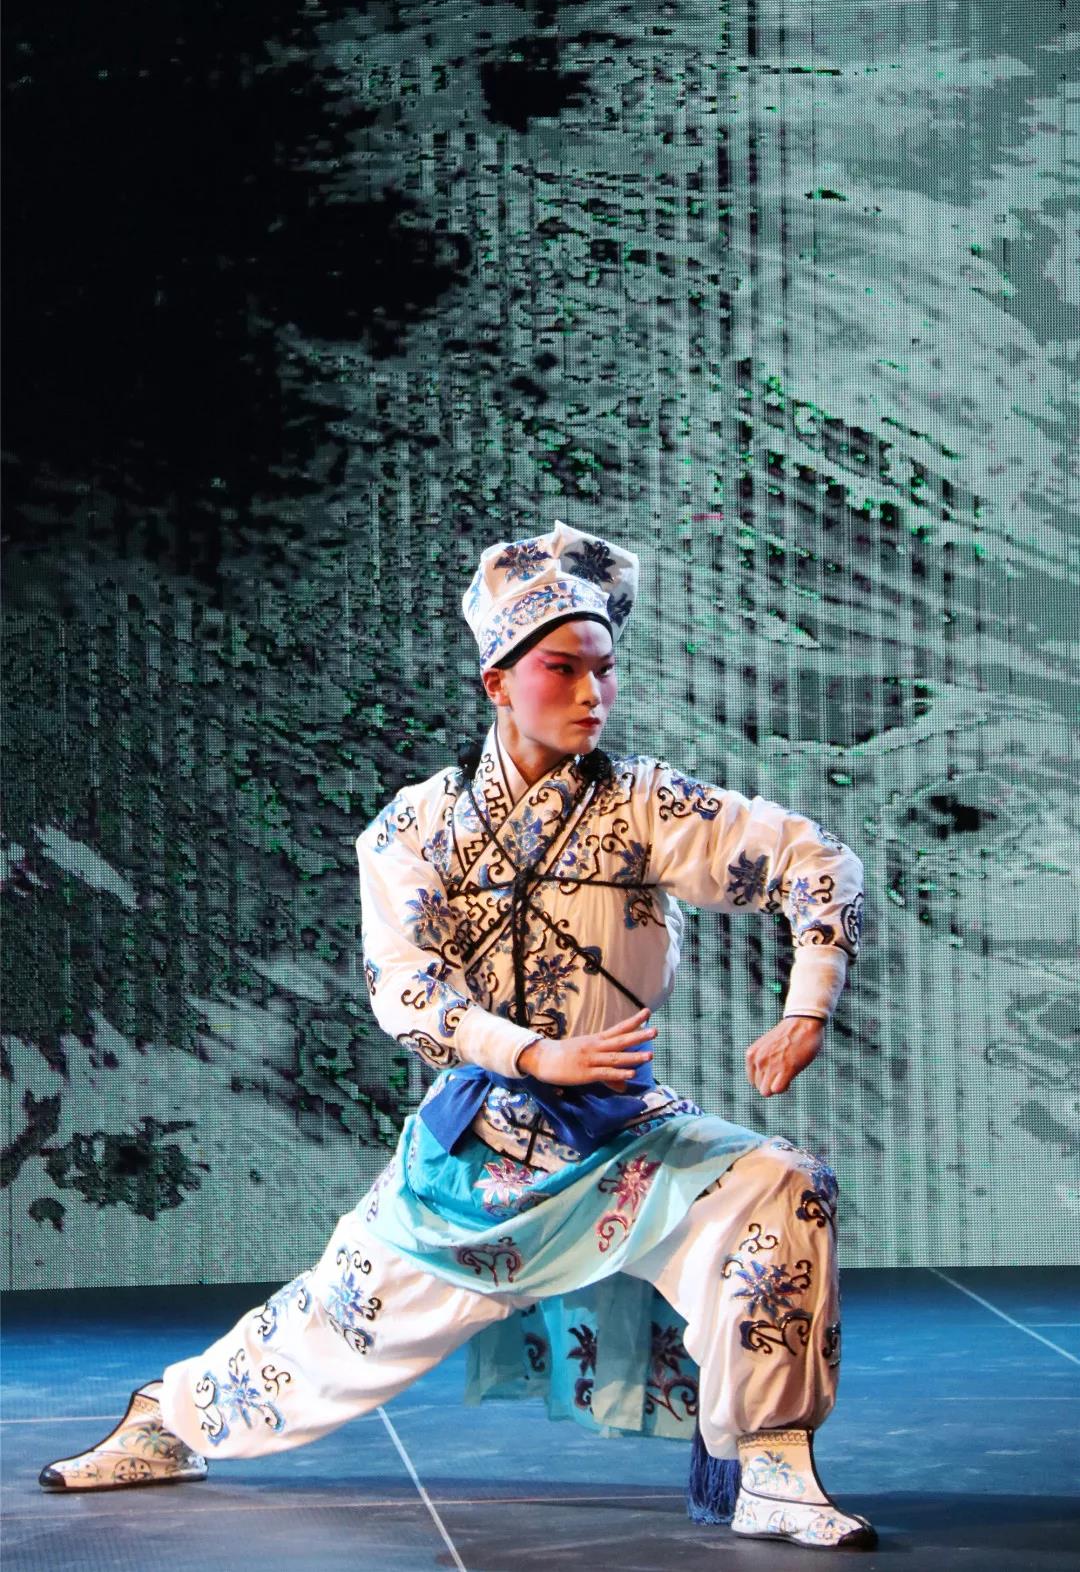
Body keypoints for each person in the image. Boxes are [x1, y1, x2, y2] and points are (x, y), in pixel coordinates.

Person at [40, 522, 875, 1551]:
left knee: (784, 1188)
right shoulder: (415, 830)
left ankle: (774, 1463)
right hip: (481, 1148)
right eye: (563, 669)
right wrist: (535, 1055)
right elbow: (404, 988)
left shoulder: (646, 806)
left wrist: (805, 1006)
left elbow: (817, 862)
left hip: (627, 1141)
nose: (593, 694)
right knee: (332, 1329)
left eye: (605, 669)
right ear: (497, 682)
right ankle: (166, 1417)